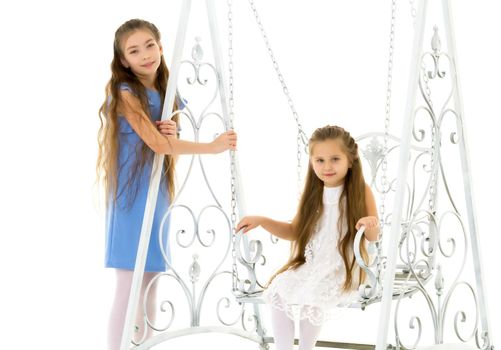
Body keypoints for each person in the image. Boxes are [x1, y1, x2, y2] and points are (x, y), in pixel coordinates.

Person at [97, 18, 237, 350]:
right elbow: (158, 145)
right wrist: (211, 147)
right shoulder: (125, 92)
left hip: (156, 192)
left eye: (150, 45)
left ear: (160, 47)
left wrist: (172, 133)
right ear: (123, 60)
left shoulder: (166, 90)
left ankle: (142, 346)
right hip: (131, 197)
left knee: (151, 282)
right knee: (129, 281)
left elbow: (165, 148)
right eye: (134, 50)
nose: (145, 55)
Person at [236, 125, 378, 350]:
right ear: (312, 162)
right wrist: (262, 220)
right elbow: (294, 231)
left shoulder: (360, 190)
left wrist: (368, 223)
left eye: (335, 159)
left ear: (350, 161)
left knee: (312, 295)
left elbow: (373, 235)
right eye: (319, 160)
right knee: (278, 291)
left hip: (344, 265)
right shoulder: (313, 194)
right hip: (314, 263)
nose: (327, 166)